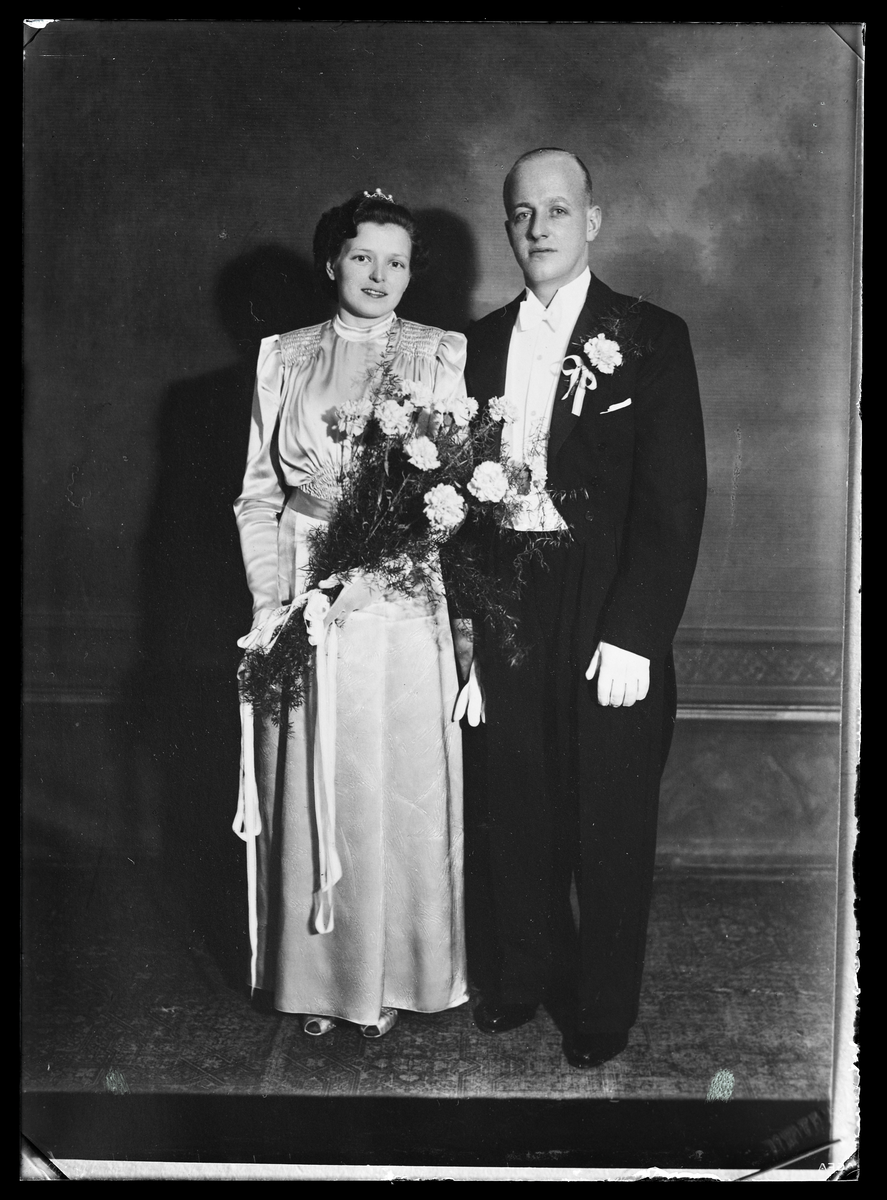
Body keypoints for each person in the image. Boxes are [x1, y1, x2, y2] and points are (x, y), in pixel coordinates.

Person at [464, 148, 707, 1067]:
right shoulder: (475, 344)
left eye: (557, 210)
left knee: (608, 808)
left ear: (592, 221)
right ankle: (522, 977)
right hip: (508, 598)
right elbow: (453, 506)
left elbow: (674, 498)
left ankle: (602, 1006)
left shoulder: (649, 335)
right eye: (522, 213)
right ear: (507, 226)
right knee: (514, 798)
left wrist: (635, 633)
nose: (538, 229)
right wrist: (467, 637)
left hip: (605, 600)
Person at [233, 189, 469, 1039]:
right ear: (332, 259)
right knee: (308, 775)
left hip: (397, 595)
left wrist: (368, 576)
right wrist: (271, 601)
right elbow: (257, 496)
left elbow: (444, 493)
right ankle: (319, 984)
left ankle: (395, 979)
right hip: (300, 582)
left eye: (395, 262)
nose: (378, 275)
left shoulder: (438, 354)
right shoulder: (284, 357)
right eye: (363, 256)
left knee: (391, 781)